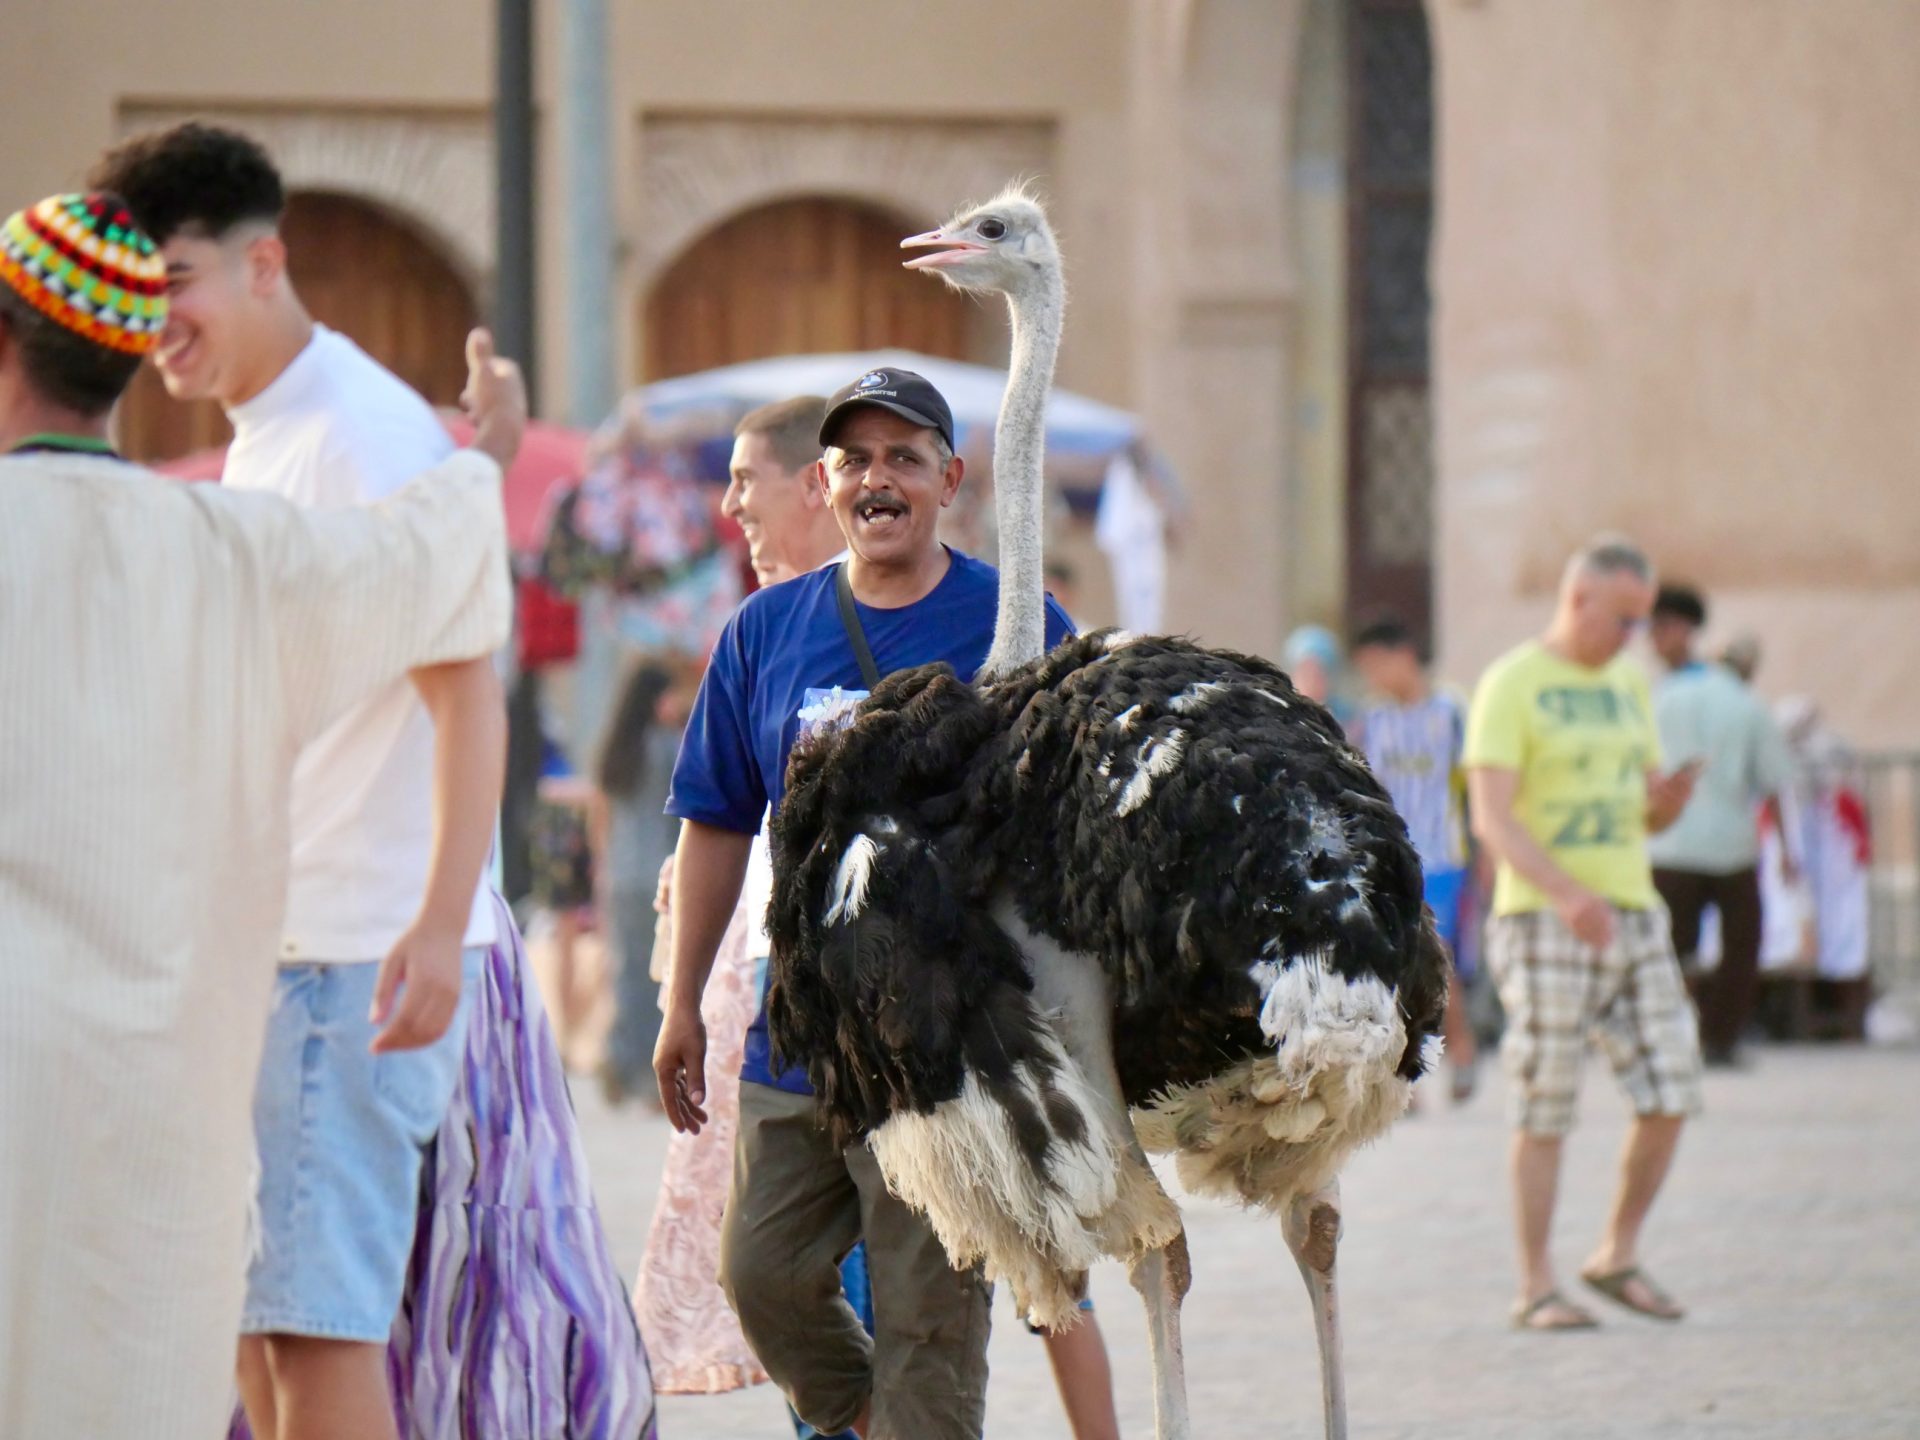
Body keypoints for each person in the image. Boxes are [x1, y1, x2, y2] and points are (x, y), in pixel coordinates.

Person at [93, 124, 653, 1440]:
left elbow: (467, 693)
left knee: (315, 1337)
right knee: (261, 1335)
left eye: (173, 280)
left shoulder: (349, 434)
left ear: (264, 262)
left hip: (348, 958)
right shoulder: (282, 435)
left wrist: (435, 927)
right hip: (298, 948)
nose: (153, 321)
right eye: (131, 293)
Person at [0, 191, 517, 1440]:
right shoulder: (229, 545)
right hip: (163, 1078)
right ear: (128, 353)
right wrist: (484, 461)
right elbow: (423, 561)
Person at [653, 371, 1074, 1439]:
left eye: (903, 457)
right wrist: (681, 999)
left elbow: (1077, 825)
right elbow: (713, 821)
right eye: (856, 460)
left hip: (948, 1052)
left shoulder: (1014, 618)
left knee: (928, 1329)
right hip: (798, 1031)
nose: (877, 478)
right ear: (825, 483)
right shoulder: (764, 630)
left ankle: (913, 1424)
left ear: (949, 478)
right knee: (763, 1275)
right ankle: (874, 1421)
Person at [1464, 537, 1705, 1333]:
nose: (1636, 636)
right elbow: (1491, 818)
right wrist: (1566, 894)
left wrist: (1667, 801)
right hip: (1543, 918)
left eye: (1644, 621)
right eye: (1625, 619)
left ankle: (1616, 1252)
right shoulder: (1513, 683)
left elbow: (1645, 809)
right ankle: (1536, 1284)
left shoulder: (1630, 686)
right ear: (1578, 601)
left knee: (1672, 1086)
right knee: (1546, 1100)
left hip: (1632, 908)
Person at [1646, 584, 1798, 1067]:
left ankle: (1660, 1037)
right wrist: (1789, 851)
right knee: (1740, 947)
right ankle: (1720, 1039)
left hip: (1668, 843)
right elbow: (1773, 783)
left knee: (1668, 951)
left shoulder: (1657, 697)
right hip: (1733, 845)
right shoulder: (1746, 702)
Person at [1350, 616, 1479, 1102]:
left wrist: (1484, 855)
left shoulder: (1451, 714)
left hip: (1444, 858)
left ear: (1402, 656)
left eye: (1375, 666)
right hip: (1390, 862)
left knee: (1440, 962)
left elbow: (1475, 785)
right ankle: (1411, 1074)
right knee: (1398, 968)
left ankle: (1463, 1049)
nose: (1372, 679)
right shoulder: (1372, 721)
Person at [593, 656, 687, 1102]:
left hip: (619, 872)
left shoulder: (617, 748)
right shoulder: (668, 748)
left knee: (626, 970)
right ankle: (651, 1074)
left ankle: (618, 1058)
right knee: (657, 975)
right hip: (657, 874)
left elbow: (603, 816)